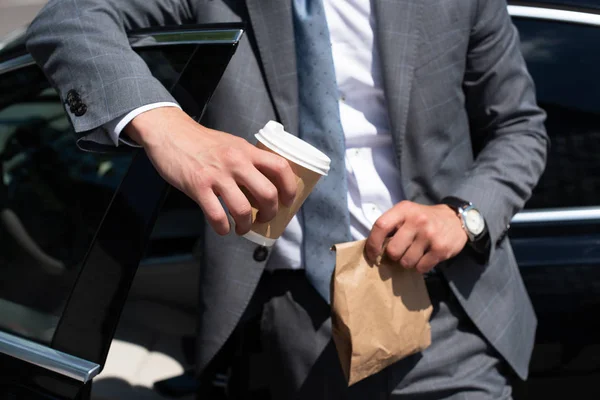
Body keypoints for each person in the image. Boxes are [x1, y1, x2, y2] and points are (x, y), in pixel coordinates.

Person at [26, 0, 548, 398]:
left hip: (443, 315)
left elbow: (520, 127)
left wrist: (465, 215)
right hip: (284, 328)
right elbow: (67, 20)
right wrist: (166, 127)